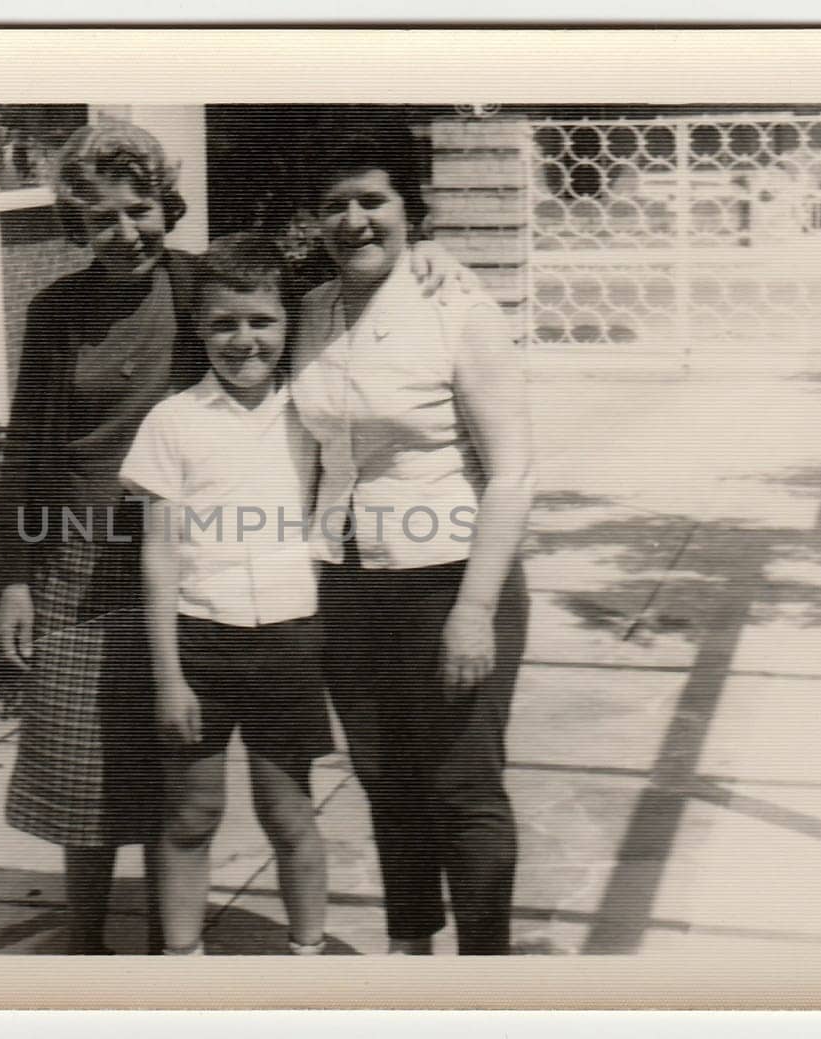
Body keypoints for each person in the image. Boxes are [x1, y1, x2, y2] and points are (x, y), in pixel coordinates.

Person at [0, 119, 475, 955]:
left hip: (199, 561)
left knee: (187, 765)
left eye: (139, 209)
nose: (125, 231)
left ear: (166, 207)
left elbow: (322, 288)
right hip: (80, 550)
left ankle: (177, 941)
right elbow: (27, 444)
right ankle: (84, 937)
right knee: (89, 758)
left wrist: (427, 257)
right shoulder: (57, 310)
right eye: (101, 219)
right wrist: (13, 573)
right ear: (76, 225)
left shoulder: (200, 289)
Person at [292, 127, 536, 956]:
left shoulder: (459, 307)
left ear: (410, 211)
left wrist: (474, 610)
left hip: (451, 580)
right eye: (335, 204)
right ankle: (410, 946)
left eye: (374, 200)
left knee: (462, 784)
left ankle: (486, 972)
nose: (354, 220)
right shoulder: (311, 312)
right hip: (348, 582)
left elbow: (513, 472)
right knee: (384, 775)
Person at [120, 233, 330, 957]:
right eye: (223, 324)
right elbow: (158, 552)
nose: (244, 340)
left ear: (287, 324)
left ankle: (308, 960)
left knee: (289, 812)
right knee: (192, 813)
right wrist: (168, 674)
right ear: (199, 329)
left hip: (289, 640)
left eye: (262, 321)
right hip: (202, 642)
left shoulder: (314, 413)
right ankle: (183, 969)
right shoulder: (173, 421)